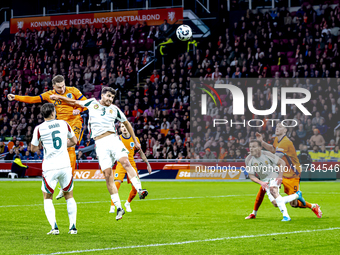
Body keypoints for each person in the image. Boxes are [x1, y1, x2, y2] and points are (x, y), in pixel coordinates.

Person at [50, 87, 149, 214]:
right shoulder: (92, 103)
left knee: (125, 161)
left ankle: (140, 189)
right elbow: (74, 102)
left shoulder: (115, 109)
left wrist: (135, 140)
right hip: (100, 144)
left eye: (112, 97)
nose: (110, 99)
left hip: (113, 139)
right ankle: (118, 207)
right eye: (108, 96)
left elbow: (127, 123)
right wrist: (59, 97)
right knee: (108, 175)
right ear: (102, 95)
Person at [8, 75, 87, 201]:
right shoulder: (48, 95)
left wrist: (78, 109)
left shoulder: (73, 91)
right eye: (59, 87)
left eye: (63, 86)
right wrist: (16, 97)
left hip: (75, 122)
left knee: (71, 147)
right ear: (53, 86)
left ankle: (66, 185)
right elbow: (33, 99)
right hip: (60, 126)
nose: (62, 89)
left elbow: (86, 103)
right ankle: (60, 179)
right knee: (63, 149)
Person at [245, 123, 322, 219]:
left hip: (292, 174)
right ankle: (254, 213)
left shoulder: (286, 142)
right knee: (264, 187)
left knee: (294, 204)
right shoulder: (277, 139)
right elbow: (273, 149)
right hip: (282, 171)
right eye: (276, 127)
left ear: (285, 130)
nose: (277, 128)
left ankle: (313, 206)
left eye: (280, 127)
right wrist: (262, 142)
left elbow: (276, 157)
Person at [31, 103, 78, 235]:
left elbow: (33, 149)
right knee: (69, 195)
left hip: (50, 167)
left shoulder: (39, 129)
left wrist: (43, 145)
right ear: (53, 113)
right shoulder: (64, 124)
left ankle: (54, 227)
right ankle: (73, 227)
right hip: (65, 165)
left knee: (47, 197)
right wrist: (63, 144)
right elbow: (74, 141)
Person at [245, 140, 306, 221]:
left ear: (260, 148)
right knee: (276, 203)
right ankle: (297, 195)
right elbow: (251, 176)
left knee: (273, 191)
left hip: (274, 175)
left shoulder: (267, 154)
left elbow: (282, 162)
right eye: (250, 147)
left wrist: (280, 176)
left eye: (254, 147)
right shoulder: (248, 159)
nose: (251, 149)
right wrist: (261, 182)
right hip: (265, 180)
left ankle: (286, 216)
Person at [110, 123, 152, 213]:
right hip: (121, 164)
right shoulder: (118, 139)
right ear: (120, 129)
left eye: (125, 126)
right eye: (122, 127)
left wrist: (147, 164)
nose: (124, 128)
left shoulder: (135, 139)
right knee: (116, 184)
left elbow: (141, 153)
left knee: (135, 188)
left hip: (131, 164)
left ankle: (127, 203)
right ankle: (113, 206)